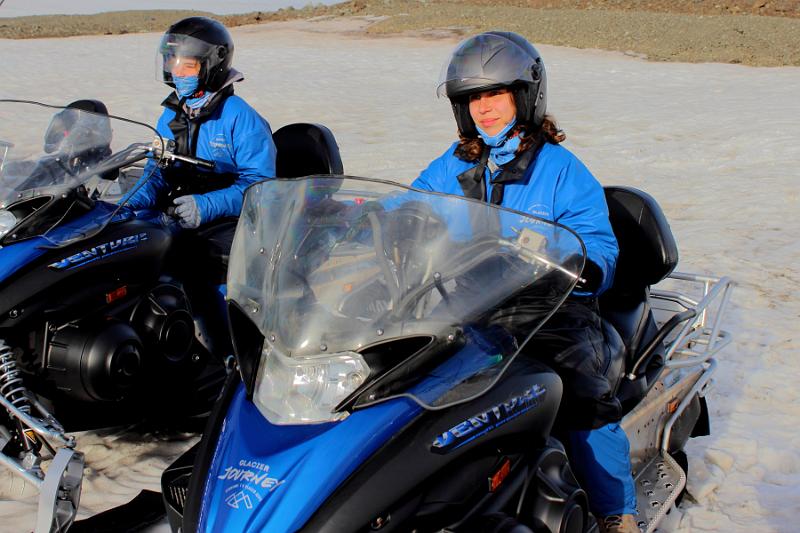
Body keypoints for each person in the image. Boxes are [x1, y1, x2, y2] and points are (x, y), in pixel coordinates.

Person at [412, 32, 638, 533]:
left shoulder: (560, 169)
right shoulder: (454, 164)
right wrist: (367, 226)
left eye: (495, 93)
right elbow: (412, 205)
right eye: (473, 97)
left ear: (525, 95)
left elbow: (597, 242)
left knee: (580, 394)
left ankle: (616, 512)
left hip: (552, 309)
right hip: (470, 304)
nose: (484, 108)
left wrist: (581, 263)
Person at [124, 16, 276, 285]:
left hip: (231, 218)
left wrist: (206, 205)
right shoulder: (172, 114)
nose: (178, 72)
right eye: (172, 62)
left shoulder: (240, 118)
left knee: (199, 266)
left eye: (188, 65)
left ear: (212, 65)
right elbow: (156, 171)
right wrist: (128, 204)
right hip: (179, 212)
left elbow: (261, 186)